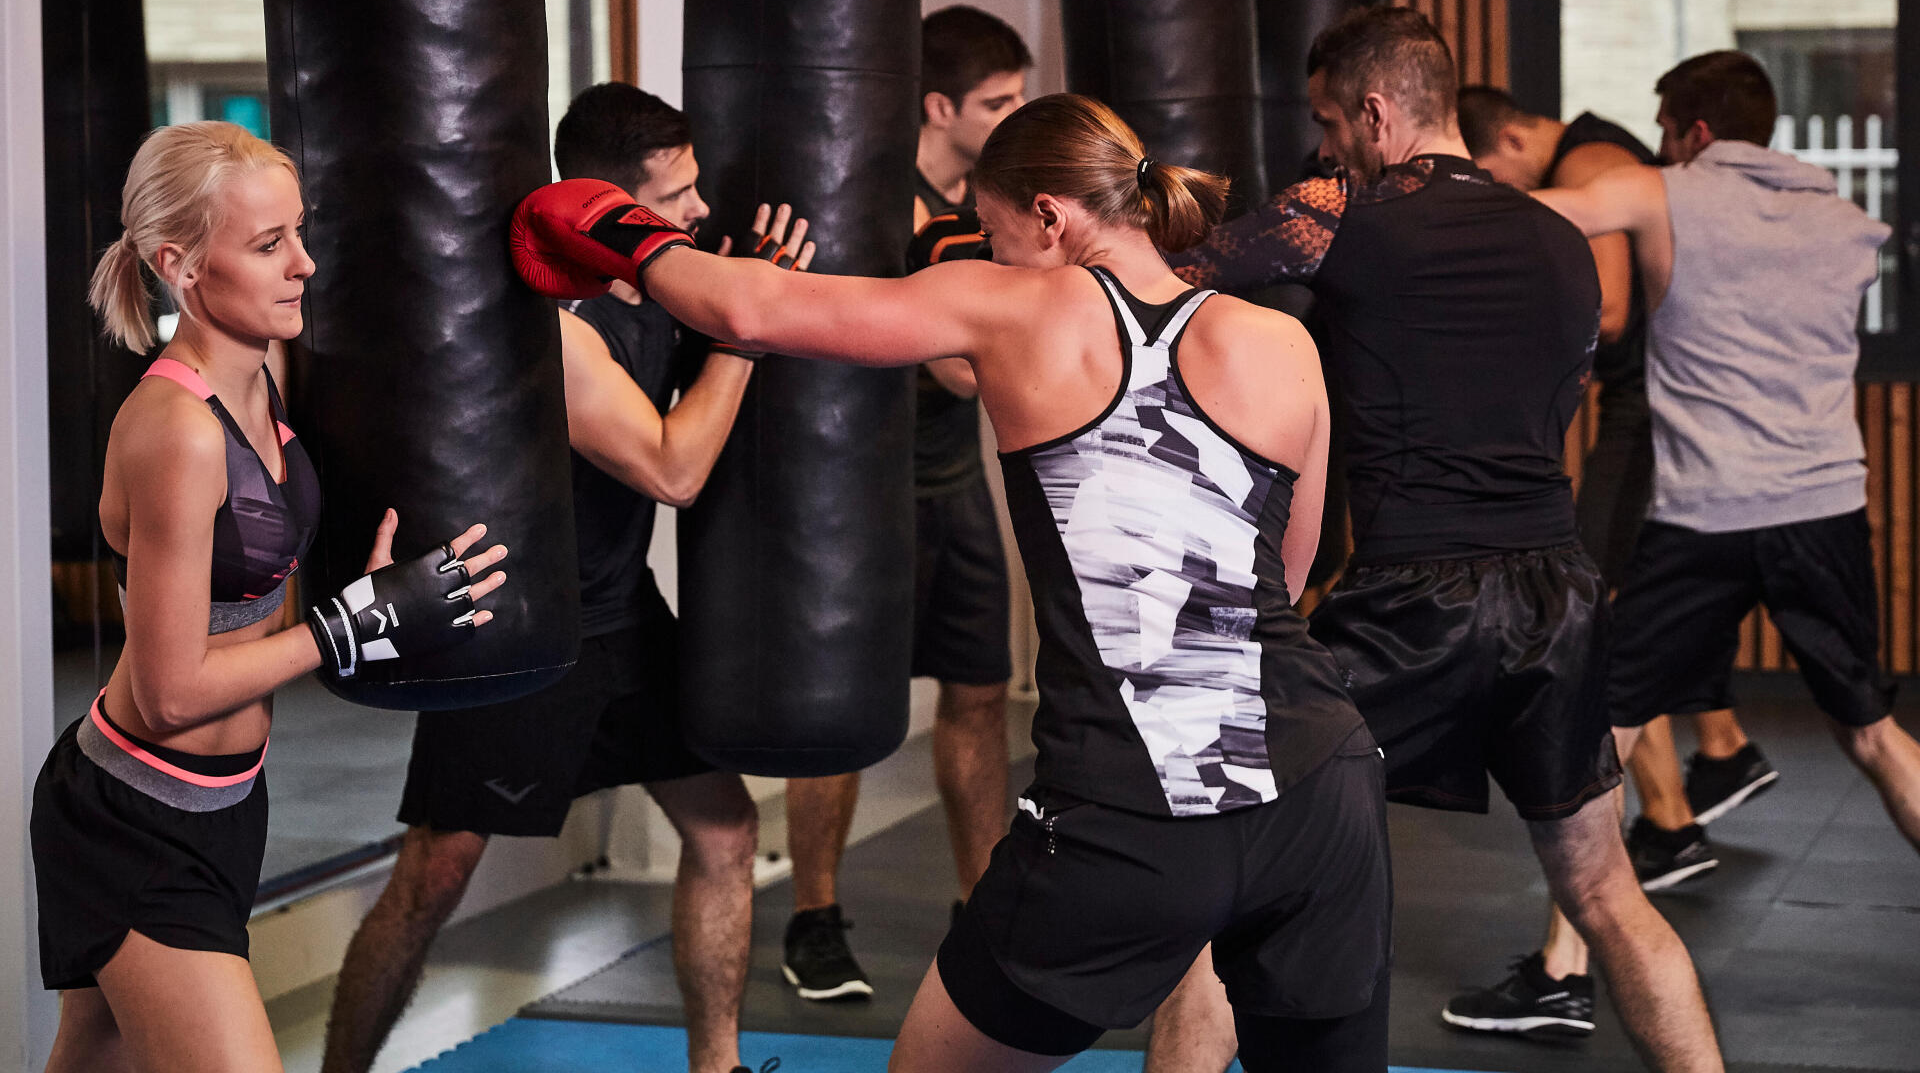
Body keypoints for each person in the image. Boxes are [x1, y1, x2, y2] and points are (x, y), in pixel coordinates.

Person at [513, 93, 1395, 1073]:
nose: (988, 248)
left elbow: (746, 308)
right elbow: (1291, 573)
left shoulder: (1010, 305)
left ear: (1052, 219)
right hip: (1324, 787)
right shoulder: (1280, 343)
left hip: (1134, 807)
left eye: (994, 229)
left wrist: (604, 217)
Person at [1144, 8, 1721, 1073]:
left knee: (1222, 880)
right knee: (1604, 894)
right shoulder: (1560, 237)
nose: (1322, 148)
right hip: (1558, 594)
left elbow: (1173, 280)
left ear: (1375, 111)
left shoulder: (1337, 210)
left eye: (1328, 122)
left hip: (1416, 603)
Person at [320, 86, 809, 1073]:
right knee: (434, 875)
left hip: (624, 617)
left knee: (725, 828)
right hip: (526, 625)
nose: (698, 211)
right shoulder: (561, 330)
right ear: (608, 207)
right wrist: (744, 334)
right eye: (674, 195)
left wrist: (751, 297)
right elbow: (674, 467)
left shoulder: (664, 293)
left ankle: (717, 1069)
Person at [1458, 49, 1920, 1034]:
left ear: (1693, 132)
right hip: (1824, 511)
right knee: (1875, 736)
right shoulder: (1843, 216)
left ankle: (1565, 969)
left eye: (1667, 128)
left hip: (1705, 520)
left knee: (1602, 736)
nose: (1664, 144)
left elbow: (1529, 216)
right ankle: (1562, 962)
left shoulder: (1662, 190)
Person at [33, 121, 504, 1073]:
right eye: (267, 244)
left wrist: (364, 603)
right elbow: (168, 693)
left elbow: (250, 605)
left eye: (298, 233)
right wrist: (350, 626)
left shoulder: (266, 380)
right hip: (136, 820)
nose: (304, 264)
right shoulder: (179, 430)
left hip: (227, 808)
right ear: (181, 264)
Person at [1460, 87, 1774, 892]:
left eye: (1498, 179)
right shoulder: (1595, 153)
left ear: (1512, 137)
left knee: (1596, 603)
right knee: (1610, 600)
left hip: (1647, 409)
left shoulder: (1593, 159)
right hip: (1647, 408)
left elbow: (1610, 312)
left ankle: (1697, 787)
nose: (1510, 198)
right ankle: (1692, 791)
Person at [782, 6, 1032, 1001]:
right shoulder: (869, 198)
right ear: (939, 106)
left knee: (976, 697)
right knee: (838, 714)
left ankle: (984, 910)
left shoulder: (998, 203)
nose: (1015, 116)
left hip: (954, 484)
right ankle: (814, 917)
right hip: (860, 496)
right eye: (998, 103)